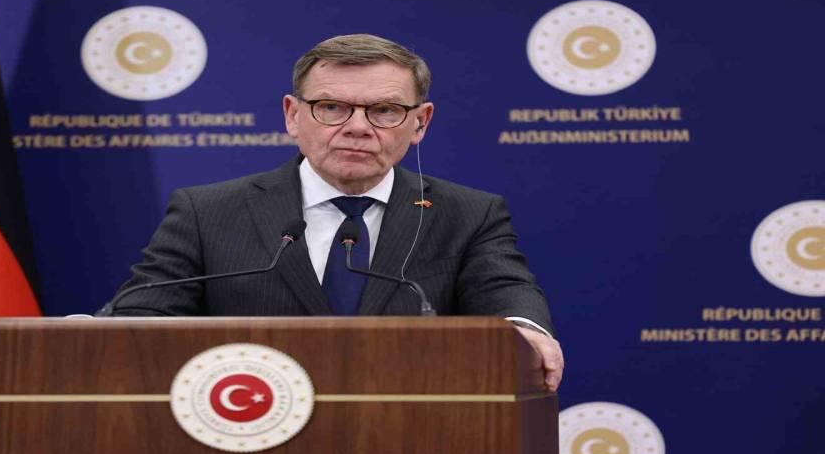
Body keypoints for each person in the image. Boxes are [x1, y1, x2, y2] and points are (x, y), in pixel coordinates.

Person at [101, 34, 563, 392]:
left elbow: (505, 291)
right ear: (292, 115)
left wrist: (523, 330)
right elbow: (142, 315)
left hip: (409, 445)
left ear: (420, 123)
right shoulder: (207, 211)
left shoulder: (468, 214)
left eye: (385, 110)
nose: (357, 127)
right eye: (331, 107)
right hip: (249, 443)